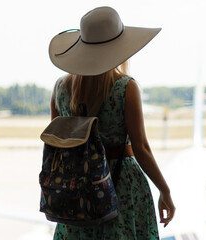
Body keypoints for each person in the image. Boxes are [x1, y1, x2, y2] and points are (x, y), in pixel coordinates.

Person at [47, 6, 175, 239]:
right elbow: (141, 148)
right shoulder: (125, 87)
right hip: (120, 187)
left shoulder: (60, 88)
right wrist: (164, 190)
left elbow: (58, 144)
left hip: (75, 190)